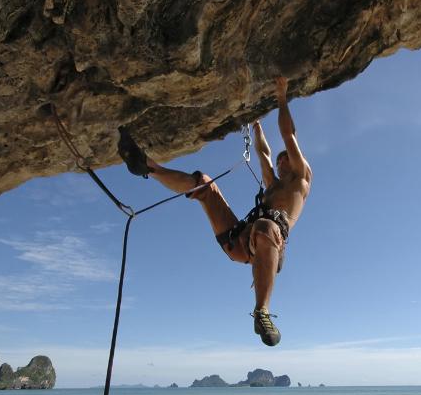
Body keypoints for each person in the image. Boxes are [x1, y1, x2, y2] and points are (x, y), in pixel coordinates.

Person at [117, 77, 311, 346]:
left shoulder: (300, 180)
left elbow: (289, 135)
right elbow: (263, 153)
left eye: (284, 159)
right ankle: (147, 166)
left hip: (265, 241)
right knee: (204, 184)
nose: (279, 163)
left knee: (266, 227)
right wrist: (256, 127)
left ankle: (262, 312)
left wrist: (281, 96)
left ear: (296, 161)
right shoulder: (272, 185)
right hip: (238, 239)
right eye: (278, 162)